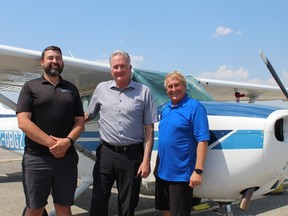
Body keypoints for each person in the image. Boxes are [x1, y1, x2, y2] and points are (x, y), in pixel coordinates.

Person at [85, 50, 158, 216]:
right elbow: (88, 115)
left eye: (123, 66)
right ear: (111, 69)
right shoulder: (101, 89)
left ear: (130, 67)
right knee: (98, 201)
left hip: (132, 156)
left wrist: (146, 160)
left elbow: (149, 128)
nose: (119, 70)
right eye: (115, 67)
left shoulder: (144, 91)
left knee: (128, 205)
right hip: (106, 154)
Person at [16, 46, 85, 216]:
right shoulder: (30, 87)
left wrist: (67, 142)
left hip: (66, 159)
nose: (55, 61)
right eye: (50, 58)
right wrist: (54, 144)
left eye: (58, 58)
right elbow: (23, 121)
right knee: (35, 208)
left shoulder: (71, 89)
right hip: (36, 158)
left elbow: (80, 121)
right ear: (42, 62)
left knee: (64, 207)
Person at [154, 71, 210, 216]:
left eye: (177, 85)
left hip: (180, 174)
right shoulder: (166, 109)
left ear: (184, 86)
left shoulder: (195, 108)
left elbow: (202, 140)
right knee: (165, 209)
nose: (173, 89)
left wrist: (198, 171)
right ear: (166, 90)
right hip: (161, 171)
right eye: (170, 87)